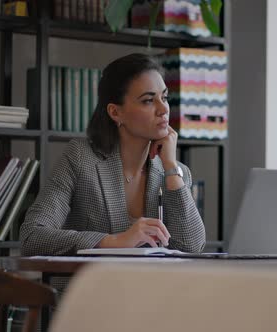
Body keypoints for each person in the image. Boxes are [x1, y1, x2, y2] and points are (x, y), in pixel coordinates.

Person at [20, 53, 206, 256]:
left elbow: (192, 246)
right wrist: (114, 241)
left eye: (164, 97)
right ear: (115, 112)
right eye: (148, 101)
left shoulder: (177, 174)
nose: (164, 109)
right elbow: (32, 236)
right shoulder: (81, 158)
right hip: (92, 287)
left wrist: (170, 166)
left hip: (149, 288)